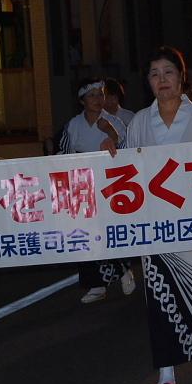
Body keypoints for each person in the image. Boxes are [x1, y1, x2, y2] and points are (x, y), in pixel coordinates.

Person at [113, 46, 192, 384]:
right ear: (148, 82)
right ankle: (166, 366)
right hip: (156, 222)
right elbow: (127, 169)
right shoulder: (140, 122)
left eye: (168, 72)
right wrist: (112, 150)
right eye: (154, 74)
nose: (162, 80)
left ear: (182, 76)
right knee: (160, 293)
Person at [59, 78, 135, 304]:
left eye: (100, 94)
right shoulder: (73, 125)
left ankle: (123, 269)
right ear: (82, 100)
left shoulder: (115, 123)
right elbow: (63, 154)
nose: (98, 99)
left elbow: (128, 152)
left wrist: (111, 133)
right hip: (83, 187)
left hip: (111, 187)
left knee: (110, 232)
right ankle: (96, 284)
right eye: (92, 95)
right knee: (85, 234)